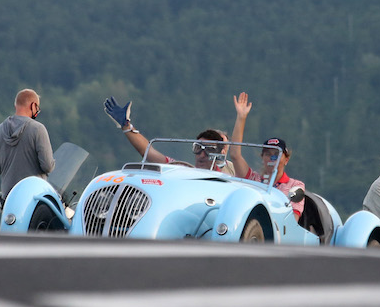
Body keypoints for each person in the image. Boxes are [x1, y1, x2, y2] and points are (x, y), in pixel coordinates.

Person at [103, 96, 235, 175]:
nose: (201, 155)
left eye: (208, 150)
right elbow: (148, 151)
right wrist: (126, 126)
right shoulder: (184, 170)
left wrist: (241, 117)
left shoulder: (228, 178)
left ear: (218, 154)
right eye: (197, 148)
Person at [226, 92, 305, 220]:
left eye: (277, 154)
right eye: (267, 154)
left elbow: (293, 219)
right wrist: (241, 117)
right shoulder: (253, 179)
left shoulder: (295, 185)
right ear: (262, 158)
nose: (272, 158)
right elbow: (235, 155)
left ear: (286, 160)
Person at [0, 88, 55, 203]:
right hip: (33, 198)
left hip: (8, 200)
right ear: (33, 106)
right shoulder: (38, 129)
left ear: (16, 105)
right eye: (37, 108)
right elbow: (47, 166)